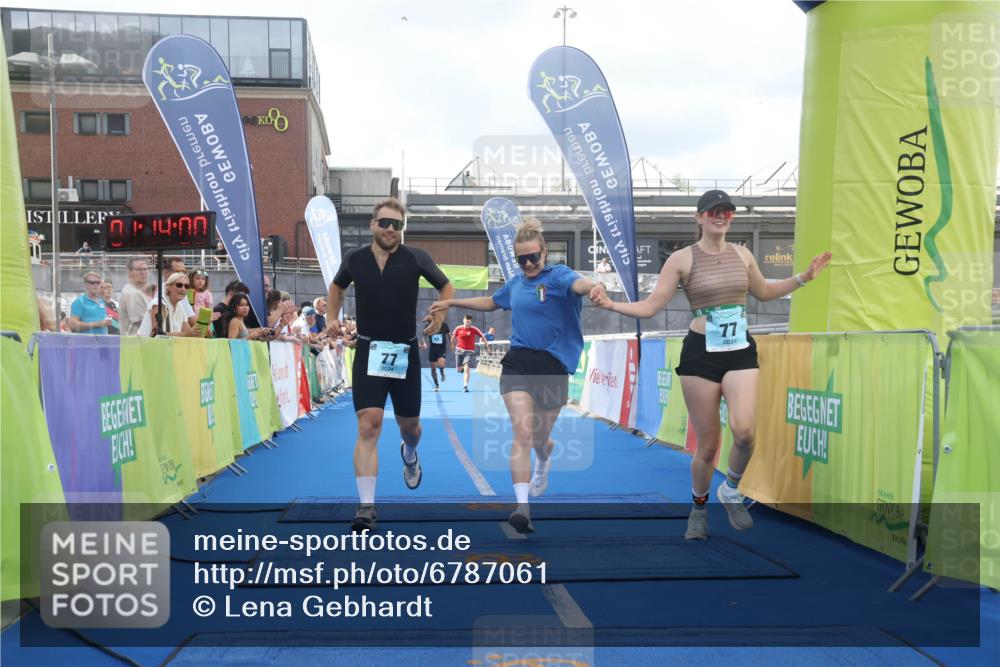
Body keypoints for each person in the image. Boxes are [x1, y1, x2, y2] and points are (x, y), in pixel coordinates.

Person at [593, 190, 832, 540]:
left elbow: (763, 292)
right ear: (700, 217)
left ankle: (731, 489)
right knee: (707, 445)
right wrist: (611, 306)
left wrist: (803, 278)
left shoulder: (743, 254)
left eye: (727, 212)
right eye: (713, 212)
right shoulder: (681, 259)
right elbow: (651, 306)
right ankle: (698, 510)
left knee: (746, 432)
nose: (721, 217)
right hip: (700, 354)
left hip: (739, 351)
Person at [430, 219, 606, 534]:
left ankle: (544, 455)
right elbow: (492, 302)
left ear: (544, 253)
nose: (528, 264)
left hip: (553, 365)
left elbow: (579, 285)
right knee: (522, 433)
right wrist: (452, 301)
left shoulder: (559, 276)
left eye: (533, 257)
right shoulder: (515, 283)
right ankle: (522, 507)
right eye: (521, 259)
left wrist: (594, 287)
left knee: (540, 438)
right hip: (518, 363)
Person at [326, 197, 454, 532]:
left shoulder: (416, 258)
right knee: (369, 424)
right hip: (369, 351)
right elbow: (336, 287)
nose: (390, 230)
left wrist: (439, 318)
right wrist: (330, 317)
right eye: (384, 223)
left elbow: (446, 286)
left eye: (397, 225)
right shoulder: (355, 259)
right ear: (372, 224)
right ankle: (366, 506)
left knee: (409, 427)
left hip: (405, 352)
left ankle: (409, 453)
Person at [139, 272, 199, 337]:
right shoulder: (159, 304)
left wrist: (201, 328)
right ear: (168, 287)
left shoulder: (180, 307)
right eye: (179, 285)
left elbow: (188, 333)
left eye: (186, 286)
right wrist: (184, 334)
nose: (183, 289)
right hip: (145, 345)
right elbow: (155, 335)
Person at [451, 314, 486, 393]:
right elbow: (453, 337)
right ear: (463, 321)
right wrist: (451, 344)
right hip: (459, 350)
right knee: (458, 370)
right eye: (466, 322)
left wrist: (487, 345)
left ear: (471, 322)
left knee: (467, 368)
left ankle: (465, 386)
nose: (467, 323)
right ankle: (462, 367)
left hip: (469, 351)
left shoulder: (474, 329)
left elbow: (482, 336)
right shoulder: (458, 328)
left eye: (469, 322)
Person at [119, 257, 150, 335]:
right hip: (136, 343)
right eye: (138, 269)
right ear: (130, 272)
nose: (143, 272)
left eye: (145, 269)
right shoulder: (132, 293)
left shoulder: (136, 291)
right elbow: (143, 322)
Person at [421, 319, 450, 391]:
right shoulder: (428, 326)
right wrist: (424, 343)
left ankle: (442, 371)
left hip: (441, 348)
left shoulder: (444, 325)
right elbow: (424, 336)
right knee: (433, 368)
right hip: (433, 348)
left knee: (440, 364)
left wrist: (451, 344)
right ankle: (437, 385)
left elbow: (449, 334)